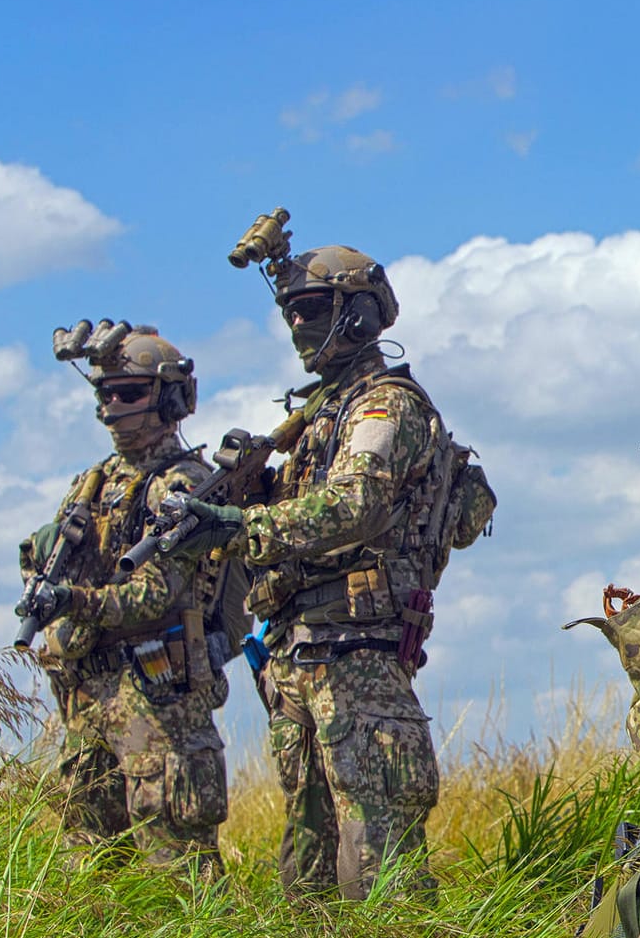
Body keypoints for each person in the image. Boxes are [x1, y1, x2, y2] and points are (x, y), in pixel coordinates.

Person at [175, 241, 492, 900]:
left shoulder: (384, 405)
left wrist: (241, 527)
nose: (297, 325)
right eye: (290, 311)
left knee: (377, 871)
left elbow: (358, 504)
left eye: (312, 307)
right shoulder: (318, 418)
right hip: (300, 652)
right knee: (307, 872)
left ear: (358, 314)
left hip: (359, 653)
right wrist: (248, 491)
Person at [16, 323, 239, 877]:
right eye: (105, 394)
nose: (113, 407)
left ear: (167, 397)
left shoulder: (186, 484)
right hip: (89, 698)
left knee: (178, 871)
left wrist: (74, 600)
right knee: (86, 871)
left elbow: (156, 593)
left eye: (130, 393)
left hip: (157, 698)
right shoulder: (93, 482)